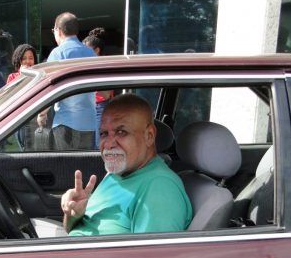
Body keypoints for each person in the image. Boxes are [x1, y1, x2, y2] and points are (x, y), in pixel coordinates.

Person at [61, 93, 192, 235]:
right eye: (104, 133)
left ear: (149, 136)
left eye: (121, 132)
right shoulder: (117, 173)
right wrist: (73, 215)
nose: (108, 144)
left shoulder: (160, 189)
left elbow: (154, 250)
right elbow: (74, 229)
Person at [47, 12, 96, 150]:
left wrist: (41, 113)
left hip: (65, 122)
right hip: (88, 123)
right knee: (85, 163)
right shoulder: (91, 54)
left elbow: (48, 88)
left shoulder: (58, 54)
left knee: (64, 163)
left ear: (58, 30)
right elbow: (104, 93)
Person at [83, 27, 114, 148]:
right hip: (89, 108)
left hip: (100, 107)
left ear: (97, 50)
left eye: (86, 50)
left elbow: (106, 94)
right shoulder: (90, 66)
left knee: (97, 145)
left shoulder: (104, 66)